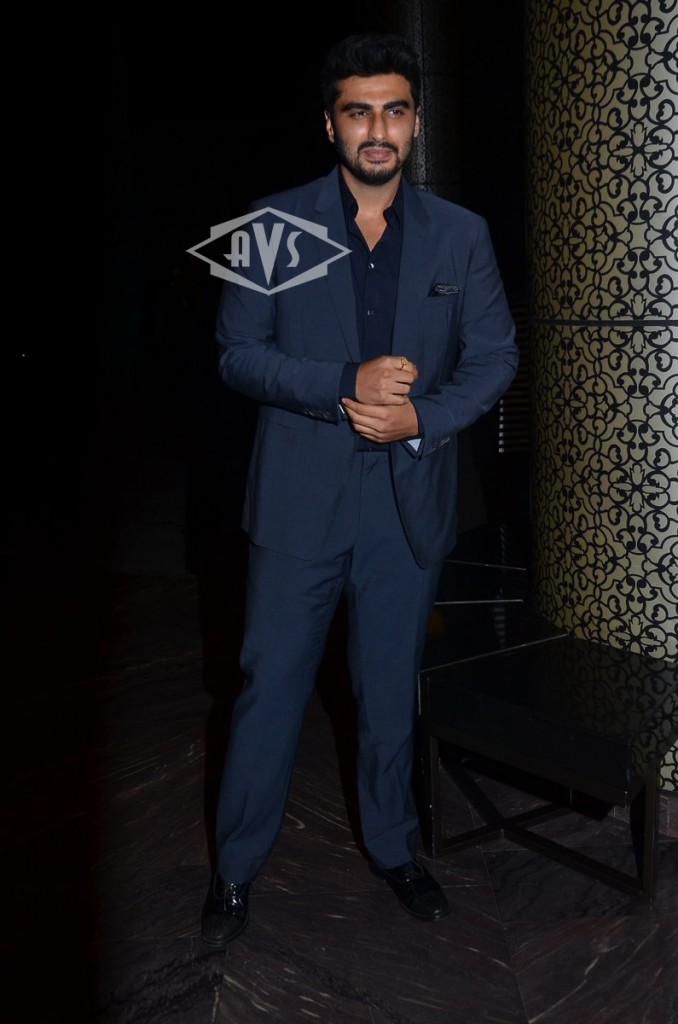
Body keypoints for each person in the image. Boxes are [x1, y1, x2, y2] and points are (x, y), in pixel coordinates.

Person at [201, 31, 519, 946]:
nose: (377, 129)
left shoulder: (461, 233)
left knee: (387, 694)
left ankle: (393, 847)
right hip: (298, 504)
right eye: (358, 111)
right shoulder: (274, 223)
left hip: (406, 506)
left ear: (415, 121)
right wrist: (345, 381)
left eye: (394, 110)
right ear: (330, 123)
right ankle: (234, 872)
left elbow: (496, 356)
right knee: (269, 689)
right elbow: (238, 354)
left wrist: (421, 417)